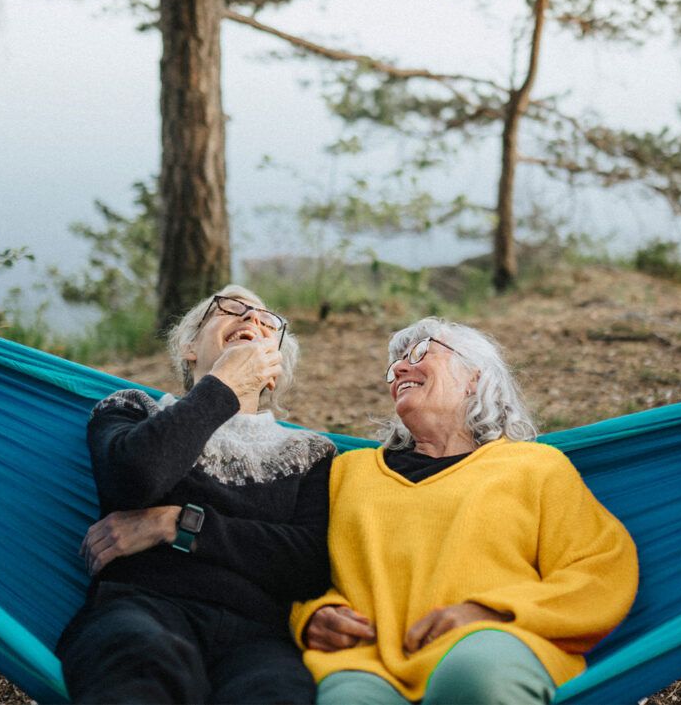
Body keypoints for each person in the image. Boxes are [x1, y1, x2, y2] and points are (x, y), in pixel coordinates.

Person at [293, 317, 638, 705]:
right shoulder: (346, 473)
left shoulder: (535, 467)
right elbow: (297, 568)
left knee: (473, 676)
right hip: (369, 663)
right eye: (395, 366)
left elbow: (600, 568)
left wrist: (492, 613)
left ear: (474, 377)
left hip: (491, 648)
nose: (401, 370)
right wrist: (313, 616)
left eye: (420, 353)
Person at [55, 286, 334, 704]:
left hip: (258, 636)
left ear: (273, 369)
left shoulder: (309, 454)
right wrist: (224, 384)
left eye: (266, 319)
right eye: (232, 308)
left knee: (277, 693)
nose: (252, 319)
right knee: (140, 666)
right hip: (144, 610)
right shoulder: (133, 412)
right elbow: (136, 478)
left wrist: (177, 524)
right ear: (189, 346)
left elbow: (308, 562)